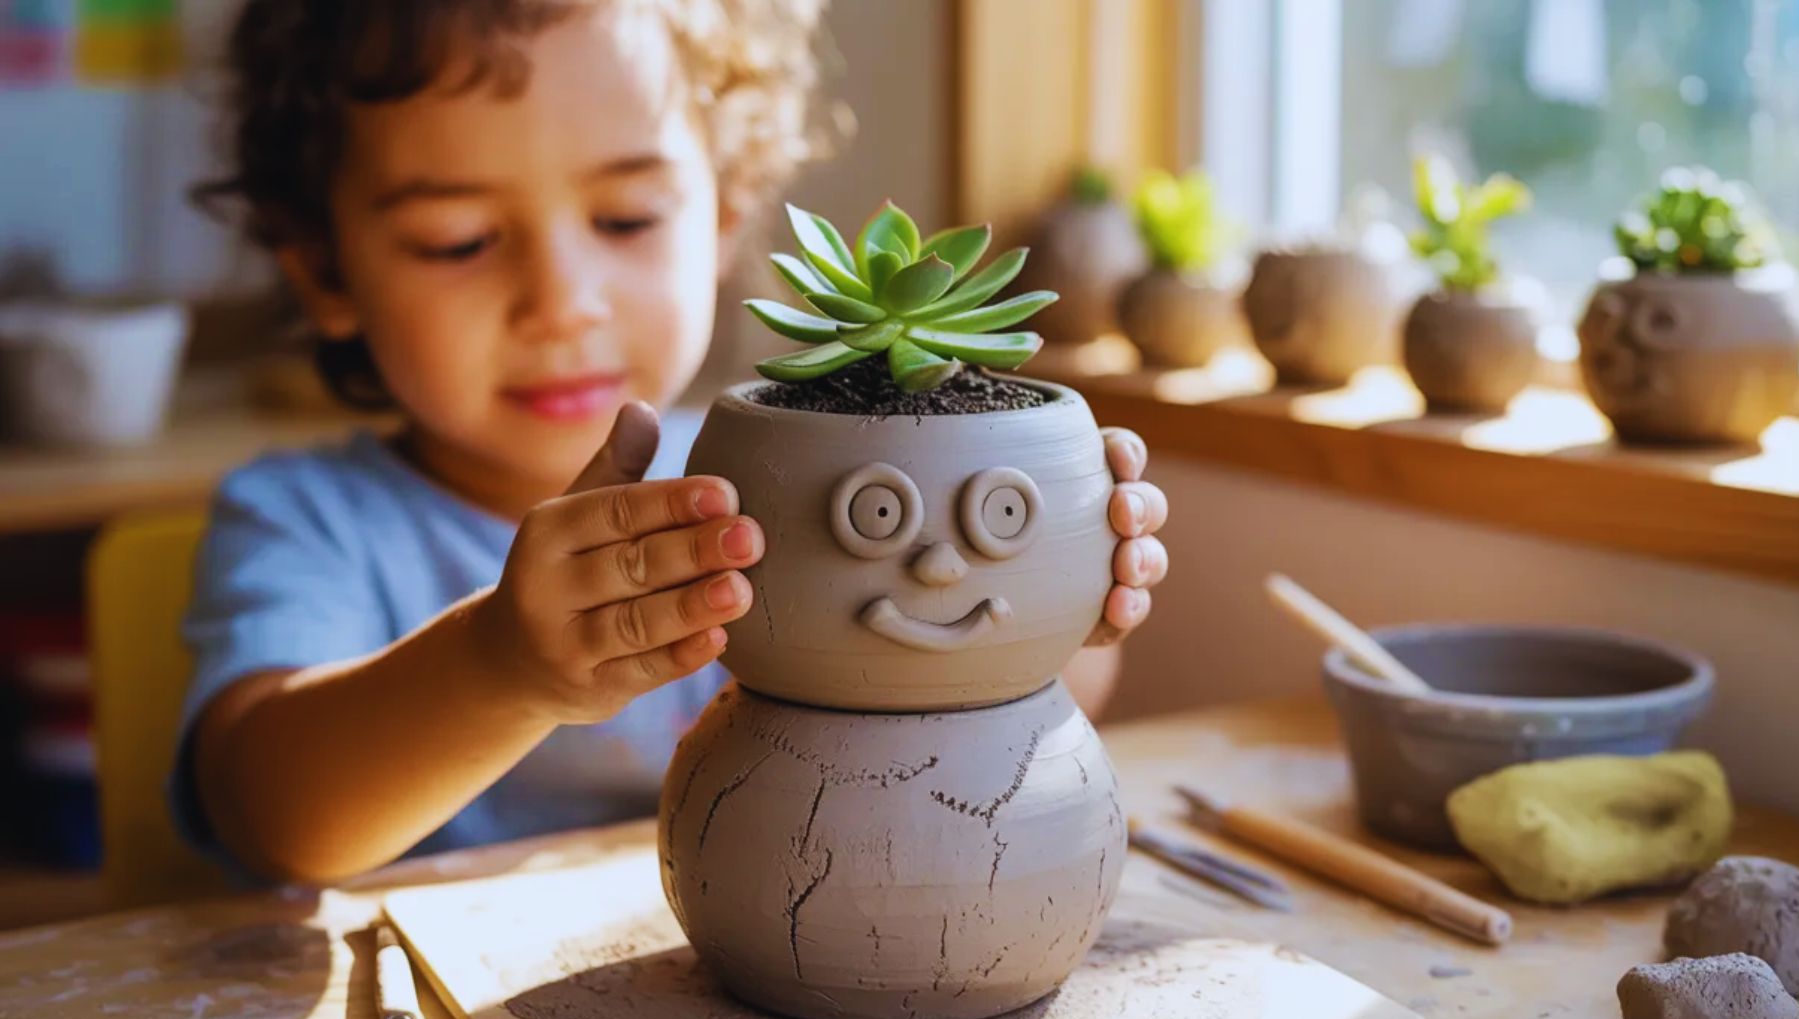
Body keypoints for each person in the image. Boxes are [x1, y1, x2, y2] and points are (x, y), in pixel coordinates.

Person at [174, 0, 1171, 885]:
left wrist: (1050, 608)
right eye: (458, 239)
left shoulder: (779, 482)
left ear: (727, 215)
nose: (562, 303)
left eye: (625, 217)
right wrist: (499, 669)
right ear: (323, 270)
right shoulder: (305, 520)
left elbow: (1035, 712)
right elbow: (272, 818)